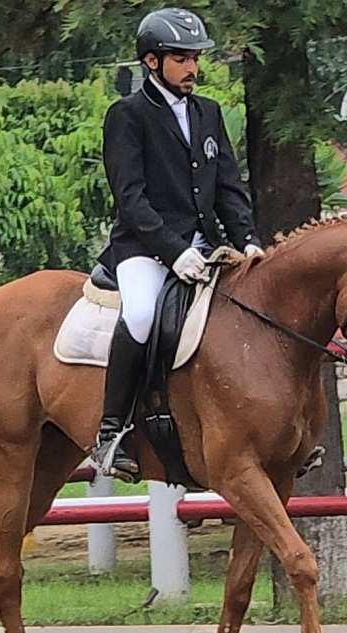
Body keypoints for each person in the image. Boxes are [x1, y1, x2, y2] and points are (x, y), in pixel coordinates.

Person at [90, 7, 264, 482]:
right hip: (143, 250)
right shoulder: (126, 116)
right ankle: (111, 433)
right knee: (142, 314)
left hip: (205, 248)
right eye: (181, 58)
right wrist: (173, 250)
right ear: (152, 61)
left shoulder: (208, 112)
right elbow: (130, 197)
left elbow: (228, 185)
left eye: (195, 58)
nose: (192, 67)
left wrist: (247, 241)